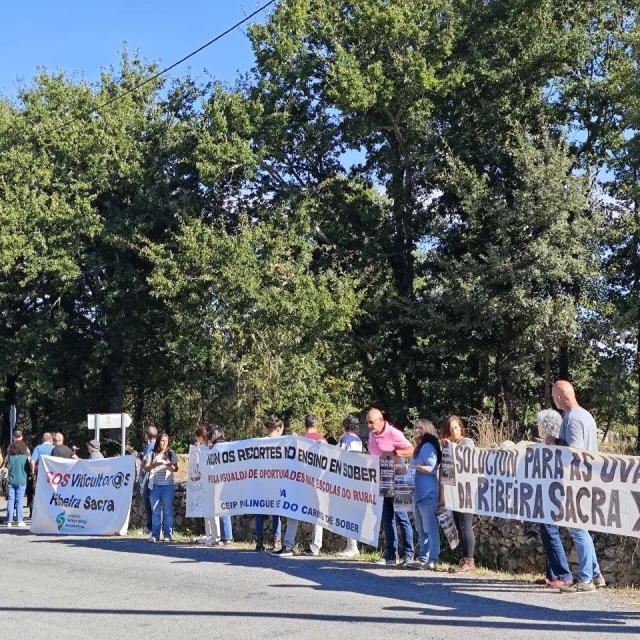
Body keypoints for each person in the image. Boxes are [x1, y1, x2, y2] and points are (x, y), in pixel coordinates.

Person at [547, 380, 605, 593]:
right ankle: (596, 574)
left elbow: (575, 450)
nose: (554, 401)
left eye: (555, 397)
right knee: (582, 528)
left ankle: (586, 579)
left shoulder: (572, 418)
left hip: (576, 481)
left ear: (560, 398)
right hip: (587, 480)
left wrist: (554, 442)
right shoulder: (586, 415)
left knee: (577, 528)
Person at [272, 414, 327, 557]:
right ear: (317, 425)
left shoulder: (300, 441)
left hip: (300, 483)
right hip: (317, 484)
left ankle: (288, 545)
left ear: (305, 425)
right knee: (317, 516)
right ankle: (315, 547)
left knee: (293, 513)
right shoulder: (323, 441)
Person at [366, 408, 415, 565]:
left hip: (398, 480)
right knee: (388, 518)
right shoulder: (371, 435)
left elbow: (412, 450)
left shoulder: (394, 433)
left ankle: (409, 554)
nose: (369, 425)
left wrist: (394, 453)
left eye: (371, 422)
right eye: (367, 422)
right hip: (383, 481)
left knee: (402, 517)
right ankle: (391, 555)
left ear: (380, 420)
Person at [534, 409, 573, 588]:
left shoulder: (554, 445)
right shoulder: (546, 444)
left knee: (550, 531)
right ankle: (552, 573)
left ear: (545, 426)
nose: (537, 427)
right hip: (545, 492)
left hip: (552, 493)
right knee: (546, 531)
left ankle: (563, 574)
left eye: (539, 424)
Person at [441, 415, 476, 573]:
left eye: (456, 427)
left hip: (466, 489)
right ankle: (464, 557)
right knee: (459, 525)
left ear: (461, 427)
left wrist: (450, 447)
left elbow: (465, 458)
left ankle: (470, 559)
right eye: (451, 429)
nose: (454, 431)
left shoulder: (467, 442)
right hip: (453, 490)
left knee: (465, 524)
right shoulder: (448, 445)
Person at [406, 419, 441, 570]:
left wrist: (413, 466)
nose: (416, 430)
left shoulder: (427, 447)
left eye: (420, 428)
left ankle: (433, 559)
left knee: (430, 528)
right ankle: (423, 558)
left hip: (428, 492)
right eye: (415, 427)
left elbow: (432, 468)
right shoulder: (420, 447)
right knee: (421, 528)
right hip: (419, 493)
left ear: (427, 429)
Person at [255, 416, 284, 551]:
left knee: (259, 512)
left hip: (261, 482)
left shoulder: (259, 443)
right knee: (276, 512)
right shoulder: (282, 443)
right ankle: (276, 542)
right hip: (276, 483)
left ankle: (259, 543)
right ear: (278, 429)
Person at [336, 414, 363, 558]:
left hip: (346, 479)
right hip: (357, 480)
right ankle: (351, 545)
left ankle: (352, 547)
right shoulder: (359, 441)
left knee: (347, 513)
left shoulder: (345, 440)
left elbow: (335, 455)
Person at [144, 432, 179, 543]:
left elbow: (176, 469)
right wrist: (155, 464)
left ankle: (168, 535)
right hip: (154, 486)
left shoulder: (171, 453)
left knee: (168, 511)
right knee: (155, 511)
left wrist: (170, 465)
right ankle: (155, 535)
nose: (164, 443)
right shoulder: (152, 454)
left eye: (166, 441)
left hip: (167, 486)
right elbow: (146, 468)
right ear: (158, 441)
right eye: (162, 441)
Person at [207, 425, 233, 546]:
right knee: (225, 509)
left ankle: (226, 538)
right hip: (228, 481)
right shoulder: (228, 447)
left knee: (222, 509)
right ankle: (226, 537)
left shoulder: (216, 449)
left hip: (219, 482)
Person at [6, 435, 31, 527]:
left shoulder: (9, 457)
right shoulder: (24, 458)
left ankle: (9, 520)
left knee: (11, 500)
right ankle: (19, 520)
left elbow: (6, 466)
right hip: (21, 480)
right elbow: (28, 467)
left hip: (11, 481)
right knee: (19, 501)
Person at [139, 426, 158, 534]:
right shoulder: (156, 445)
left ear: (148, 435)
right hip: (153, 478)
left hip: (148, 478)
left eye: (145, 434)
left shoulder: (150, 446)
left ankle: (149, 527)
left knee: (148, 503)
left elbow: (148, 463)